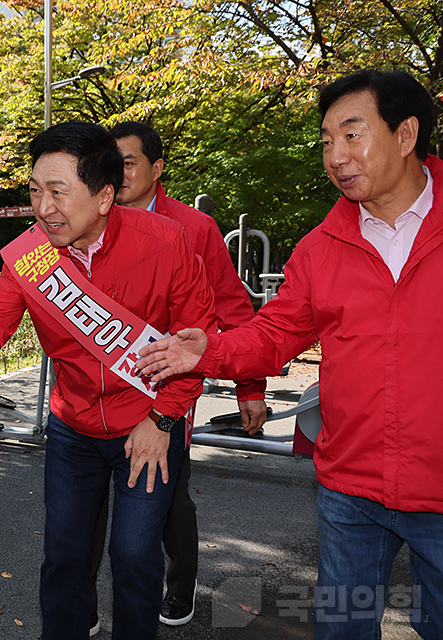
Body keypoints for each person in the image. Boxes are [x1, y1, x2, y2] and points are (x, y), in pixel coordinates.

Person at [136, 70, 443, 640]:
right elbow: (275, 332)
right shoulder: (322, 246)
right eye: (327, 141)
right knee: (343, 629)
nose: (336, 156)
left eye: (352, 135)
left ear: (406, 135)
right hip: (351, 486)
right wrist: (212, 348)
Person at [0, 121, 217, 640]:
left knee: (134, 556)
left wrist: (163, 418)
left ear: (105, 196)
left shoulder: (168, 242)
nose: (43, 208)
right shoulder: (32, 255)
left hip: (147, 427)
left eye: (59, 192)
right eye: (36, 191)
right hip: (72, 428)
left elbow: (197, 343)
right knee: (64, 557)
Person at [83, 122, 268, 631]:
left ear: (157, 168)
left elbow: (232, 307)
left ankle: (179, 586)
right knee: (89, 503)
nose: (116, 174)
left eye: (127, 163)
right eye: (108, 163)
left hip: (168, 388)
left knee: (167, 491)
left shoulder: (194, 228)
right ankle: (82, 604)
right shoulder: (86, 219)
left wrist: (250, 386)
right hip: (96, 395)